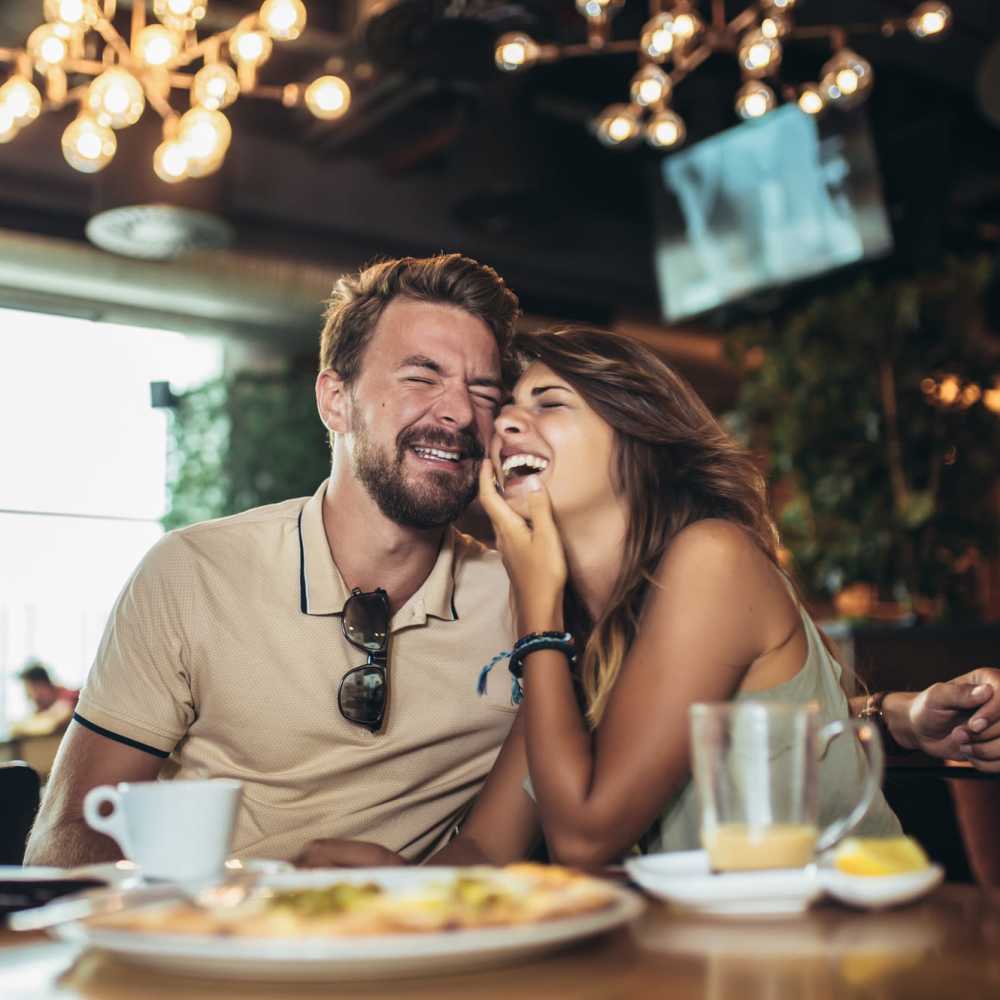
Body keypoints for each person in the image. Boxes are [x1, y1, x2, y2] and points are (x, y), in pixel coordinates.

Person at [23, 256, 1000, 870]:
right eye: (421, 377)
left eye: (495, 392)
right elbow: (72, 832)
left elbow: (638, 762)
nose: (473, 414)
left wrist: (891, 722)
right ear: (334, 399)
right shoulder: (190, 572)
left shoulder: (546, 598)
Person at [10, 662, 79, 738]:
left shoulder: (66, 696)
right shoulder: (43, 706)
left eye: (28, 689)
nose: (28, 695)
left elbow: (50, 725)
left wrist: (20, 727)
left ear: (40, 685)